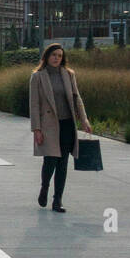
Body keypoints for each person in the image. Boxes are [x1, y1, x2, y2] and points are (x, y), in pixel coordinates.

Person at [29, 43, 92, 213]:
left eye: (59, 55)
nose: (57, 58)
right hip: (48, 125)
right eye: (54, 55)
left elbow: (77, 99)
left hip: (66, 124)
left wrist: (84, 120)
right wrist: (37, 129)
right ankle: (44, 187)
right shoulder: (38, 77)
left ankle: (57, 200)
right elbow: (34, 105)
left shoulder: (68, 75)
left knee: (63, 163)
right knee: (50, 161)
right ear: (47, 56)